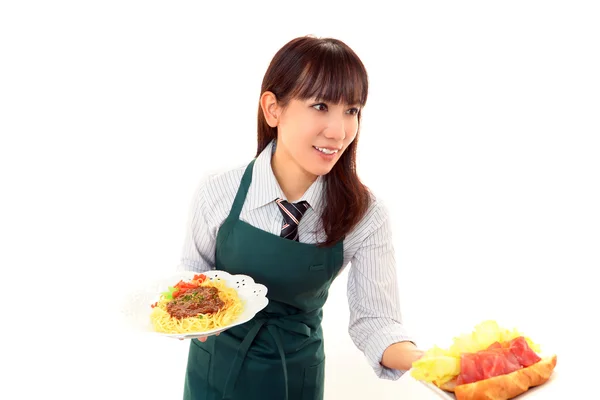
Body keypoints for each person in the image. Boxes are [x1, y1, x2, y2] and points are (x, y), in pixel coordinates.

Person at [177, 35, 424, 400]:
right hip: (215, 373)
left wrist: (433, 363)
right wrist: (189, 319)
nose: (339, 131)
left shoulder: (365, 214)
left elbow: (376, 321)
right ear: (273, 109)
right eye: (321, 105)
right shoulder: (219, 191)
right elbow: (190, 284)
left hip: (295, 379)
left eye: (352, 110)